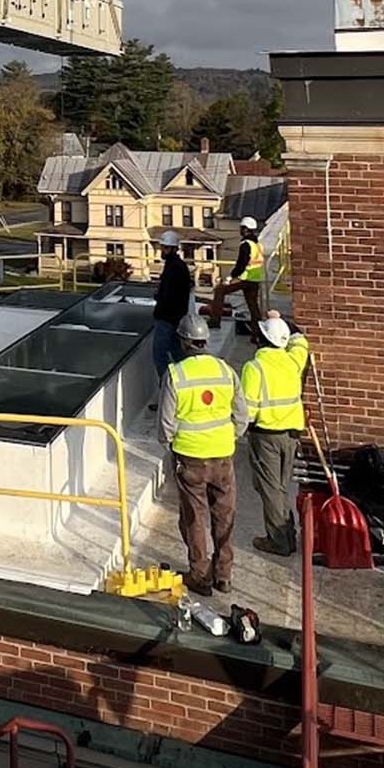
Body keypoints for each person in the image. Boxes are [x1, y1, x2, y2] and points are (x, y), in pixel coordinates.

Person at [159, 310, 243, 596]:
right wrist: (228, 437)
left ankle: (199, 576)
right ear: (205, 340)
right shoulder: (225, 371)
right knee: (224, 516)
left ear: (184, 341)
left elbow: (166, 423)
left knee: (194, 519)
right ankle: (224, 575)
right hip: (223, 457)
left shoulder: (176, 374)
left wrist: (171, 445)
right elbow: (241, 415)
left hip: (190, 459)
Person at [239, 312, 310, 556]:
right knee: (280, 487)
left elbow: (248, 410)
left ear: (261, 338)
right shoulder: (293, 361)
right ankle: (288, 536)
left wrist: (238, 432)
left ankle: (278, 541)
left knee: (269, 489)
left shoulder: (254, 368)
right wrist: (282, 322)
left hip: (265, 435)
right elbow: (300, 340)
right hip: (291, 436)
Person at [206, 216, 266, 328]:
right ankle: (258, 328)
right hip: (255, 279)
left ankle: (215, 321)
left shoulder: (246, 244)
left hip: (245, 277)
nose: (240, 230)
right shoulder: (258, 245)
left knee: (220, 290)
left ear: (246, 229)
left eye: (242, 228)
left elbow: (241, 264)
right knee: (253, 305)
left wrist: (231, 277)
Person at [150, 229, 191, 381]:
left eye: (165, 248)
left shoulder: (174, 267)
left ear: (173, 249)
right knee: (176, 351)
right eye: (163, 247)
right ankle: (186, 381)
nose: (163, 250)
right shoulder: (176, 265)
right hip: (175, 317)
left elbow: (169, 294)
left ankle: (168, 387)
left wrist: (159, 298)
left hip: (167, 317)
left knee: (159, 354)